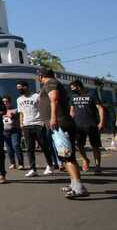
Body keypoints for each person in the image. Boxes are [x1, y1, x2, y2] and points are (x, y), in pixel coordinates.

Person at [38, 68, 88, 198]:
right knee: (65, 155)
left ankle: (79, 188)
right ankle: (74, 184)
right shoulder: (51, 83)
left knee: (67, 156)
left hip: (60, 124)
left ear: (41, 76)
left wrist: (53, 118)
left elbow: (54, 99)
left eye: (38, 75)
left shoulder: (50, 83)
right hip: (58, 124)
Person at [16, 81, 54, 177]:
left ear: (26, 87)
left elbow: (43, 108)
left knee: (44, 146)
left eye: (20, 88)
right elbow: (21, 113)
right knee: (30, 148)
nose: (19, 90)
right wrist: (21, 124)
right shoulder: (19, 99)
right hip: (26, 125)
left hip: (38, 124)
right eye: (18, 88)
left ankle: (50, 165)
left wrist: (43, 122)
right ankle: (33, 169)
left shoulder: (36, 96)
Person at [69, 80, 106, 174]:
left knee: (95, 146)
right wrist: (70, 122)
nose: (72, 90)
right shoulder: (73, 96)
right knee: (79, 145)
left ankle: (98, 166)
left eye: (73, 88)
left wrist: (101, 122)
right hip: (78, 125)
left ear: (78, 86)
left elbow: (100, 108)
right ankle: (85, 159)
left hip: (92, 124)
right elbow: (72, 111)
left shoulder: (92, 94)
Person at [2, 96, 25, 170]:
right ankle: (13, 163)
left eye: (6, 101)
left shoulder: (15, 110)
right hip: (5, 131)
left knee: (16, 145)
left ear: (10, 102)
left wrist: (13, 116)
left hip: (15, 130)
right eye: (4, 102)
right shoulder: (2, 111)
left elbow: (18, 117)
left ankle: (21, 163)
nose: (5, 103)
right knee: (9, 148)